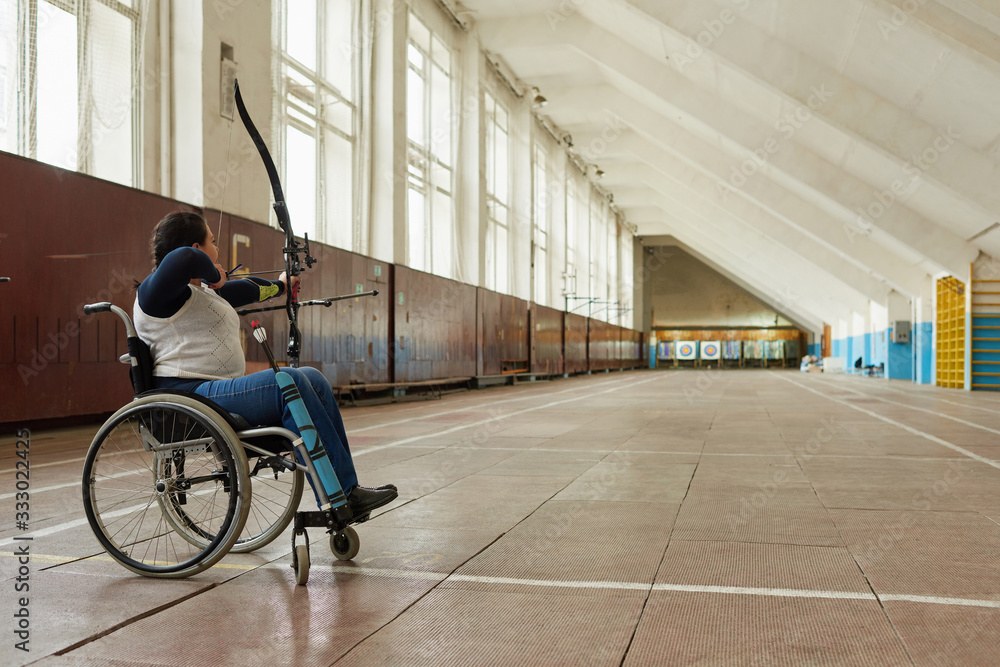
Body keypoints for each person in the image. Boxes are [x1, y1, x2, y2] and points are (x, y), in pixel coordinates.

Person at [133, 211, 397, 519]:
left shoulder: (197, 293)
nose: (216, 249)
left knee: (311, 377)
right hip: (190, 396)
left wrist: (282, 286)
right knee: (290, 382)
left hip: (216, 392)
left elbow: (248, 289)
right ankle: (341, 496)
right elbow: (183, 258)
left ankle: (344, 492)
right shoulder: (155, 293)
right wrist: (215, 274)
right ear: (198, 247)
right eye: (213, 242)